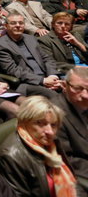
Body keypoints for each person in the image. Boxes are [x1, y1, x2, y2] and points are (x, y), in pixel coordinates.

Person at [0, 96, 78, 197]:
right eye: (40, 123)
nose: (50, 131)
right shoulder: (10, 155)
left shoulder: (51, 142)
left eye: (53, 125)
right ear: (24, 122)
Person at [0, 12, 61, 98]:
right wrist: (42, 81)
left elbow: (47, 58)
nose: (18, 25)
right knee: (53, 95)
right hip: (27, 82)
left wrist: (52, 75)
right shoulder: (0, 45)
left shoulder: (31, 38)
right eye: (13, 23)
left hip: (47, 77)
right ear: (6, 26)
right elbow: (13, 70)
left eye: (21, 23)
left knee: (74, 85)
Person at [52, 67, 88, 195]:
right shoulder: (53, 114)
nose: (85, 95)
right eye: (77, 88)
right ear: (65, 86)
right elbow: (67, 158)